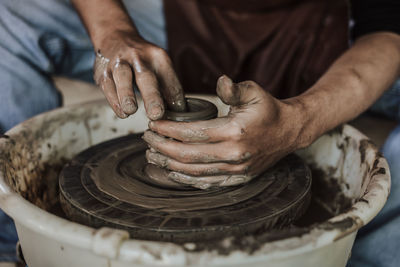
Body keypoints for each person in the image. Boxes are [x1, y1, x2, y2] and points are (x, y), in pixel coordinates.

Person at [0, 0, 399, 265]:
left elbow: (387, 26)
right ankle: (19, 241)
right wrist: (113, 32)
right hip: (181, 13)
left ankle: (356, 256)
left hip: (331, 31)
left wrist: (300, 123)